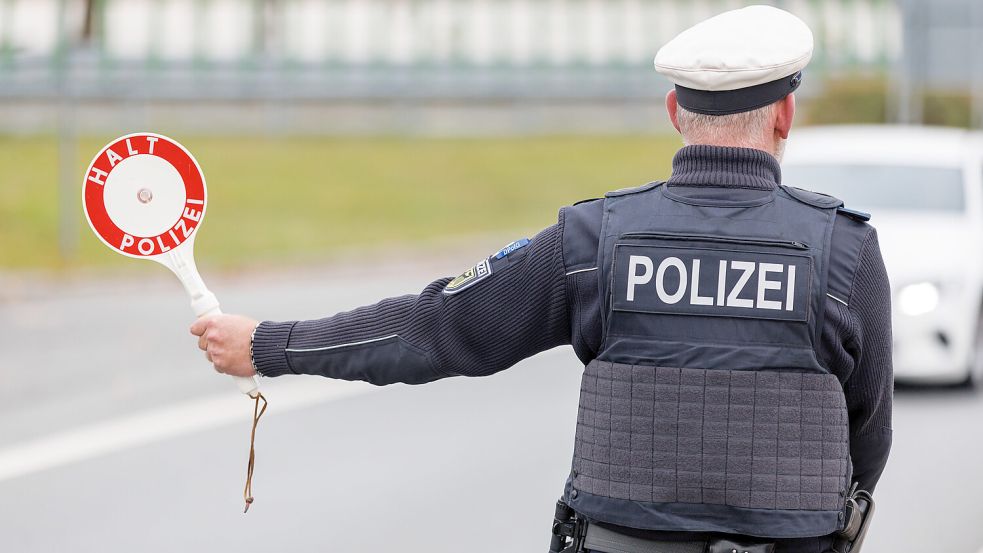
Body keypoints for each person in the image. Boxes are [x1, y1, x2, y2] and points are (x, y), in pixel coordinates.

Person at [190, 5, 892, 553]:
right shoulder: (845, 253)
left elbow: (434, 330)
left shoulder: (593, 241)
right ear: (785, 114)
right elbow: (868, 438)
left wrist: (268, 343)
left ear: (675, 112)